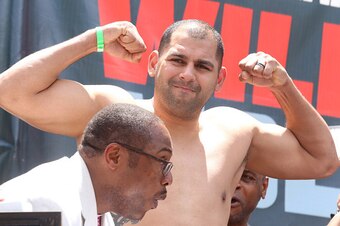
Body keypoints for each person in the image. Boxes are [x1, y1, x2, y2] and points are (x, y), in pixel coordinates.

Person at [0, 19, 338, 225]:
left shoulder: (235, 131)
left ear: (219, 79)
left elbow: (322, 160)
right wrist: (96, 39)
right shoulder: (115, 112)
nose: (188, 75)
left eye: (203, 67)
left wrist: (282, 85)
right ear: (153, 64)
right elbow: (12, 92)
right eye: (178, 60)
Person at [0, 103, 173, 226]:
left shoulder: (100, 215)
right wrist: (97, 47)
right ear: (114, 157)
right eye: (162, 161)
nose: (168, 179)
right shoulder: (39, 203)